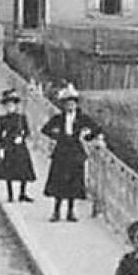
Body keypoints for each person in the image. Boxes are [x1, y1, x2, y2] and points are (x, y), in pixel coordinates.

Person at [41, 85, 102, 222]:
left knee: (73, 182)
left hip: (75, 150)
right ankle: (56, 211)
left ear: (76, 104)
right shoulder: (59, 118)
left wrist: (87, 137)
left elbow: (97, 128)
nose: (70, 106)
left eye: (72, 103)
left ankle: (70, 211)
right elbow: (45, 129)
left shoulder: (82, 118)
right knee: (59, 181)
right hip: (61, 150)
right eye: (67, 103)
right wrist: (56, 136)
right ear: (64, 105)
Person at [0, 88, 36, 203]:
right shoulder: (3, 119)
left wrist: (22, 136)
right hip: (8, 146)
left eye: (12, 105)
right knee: (8, 171)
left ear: (15, 106)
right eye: (7, 105)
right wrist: (0, 147)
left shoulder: (21, 118)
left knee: (24, 170)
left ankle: (22, 193)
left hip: (20, 146)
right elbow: (0, 134)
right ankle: (10, 194)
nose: (9, 107)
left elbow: (27, 131)